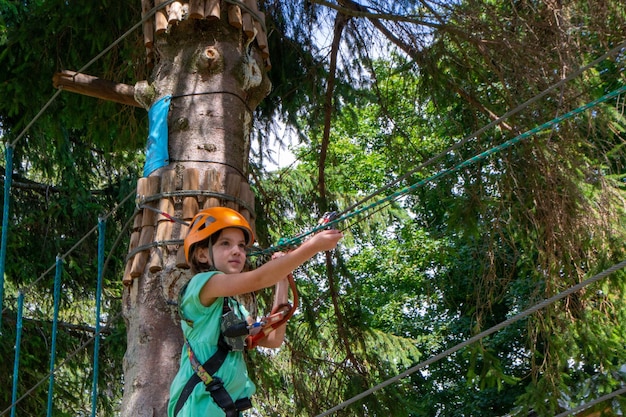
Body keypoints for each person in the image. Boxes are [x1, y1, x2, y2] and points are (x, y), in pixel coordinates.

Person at [168, 207, 343, 417]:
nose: (237, 251)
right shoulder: (201, 286)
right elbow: (259, 279)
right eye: (226, 243)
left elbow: (273, 339)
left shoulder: (233, 308)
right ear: (202, 254)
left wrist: (282, 280)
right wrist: (313, 246)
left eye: (241, 246)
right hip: (196, 410)